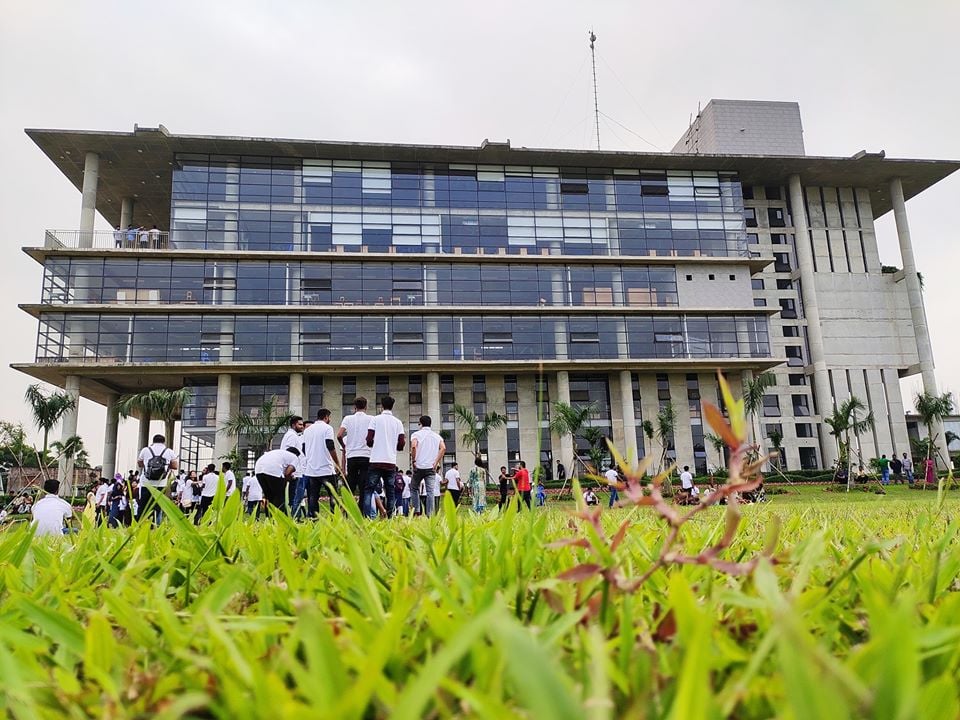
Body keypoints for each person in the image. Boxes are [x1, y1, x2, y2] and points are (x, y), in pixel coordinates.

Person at [364, 396, 405, 519]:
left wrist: (372, 445)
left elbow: (369, 439)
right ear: (393, 406)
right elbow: (402, 442)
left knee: (369, 489)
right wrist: (396, 447)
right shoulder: (398, 422)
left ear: (381, 406)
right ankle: (390, 517)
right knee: (390, 491)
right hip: (390, 461)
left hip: (376, 460)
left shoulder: (375, 420)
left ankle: (368, 517)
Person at [303, 408, 339, 517]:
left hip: (312, 470)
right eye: (329, 417)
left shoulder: (307, 430)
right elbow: (330, 445)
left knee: (313, 496)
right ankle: (334, 517)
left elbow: (304, 448)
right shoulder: (327, 428)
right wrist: (337, 463)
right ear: (326, 417)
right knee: (333, 495)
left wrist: (310, 459)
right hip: (326, 468)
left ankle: (314, 518)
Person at [137, 433, 178, 524]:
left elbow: (139, 463)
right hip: (161, 483)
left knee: (143, 506)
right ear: (164, 442)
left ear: (153, 441)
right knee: (157, 506)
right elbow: (175, 466)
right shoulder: (169, 451)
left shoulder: (146, 450)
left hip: (146, 483)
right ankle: (155, 526)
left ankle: (140, 525)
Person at [410, 415, 445, 517]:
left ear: (421, 424)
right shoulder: (437, 436)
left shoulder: (416, 434)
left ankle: (417, 510)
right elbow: (443, 448)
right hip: (431, 467)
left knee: (414, 488)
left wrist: (413, 460)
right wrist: (436, 462)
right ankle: (430, 514)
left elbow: (413, 446)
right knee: (430, 491)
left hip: (419, 466)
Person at [338, 397, 372, 502]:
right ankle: (362, 513)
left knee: (350, 486)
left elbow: (339, 435)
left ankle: (348, 511)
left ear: (354, 407)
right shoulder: (371, 419)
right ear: (366, 407)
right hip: (366, 455)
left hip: (352, 455)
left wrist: (344, 446)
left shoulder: (347, 419)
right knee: (364, 487)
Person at [254, 446, 302, 512]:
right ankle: (280, 517)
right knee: (279, 496)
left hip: (258, 469)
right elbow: (287, 473)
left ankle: (269, 518)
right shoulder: (294, 457)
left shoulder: (278, 453)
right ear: (296, 454)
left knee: (269, 496)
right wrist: (289, 479)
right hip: (273, 470)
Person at [280, 416, 306, 518]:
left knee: (295, 498)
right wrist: (291, 472)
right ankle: (295, 518)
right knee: (296, 498)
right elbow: (289, 453)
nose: (302, 427)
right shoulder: (292, 435)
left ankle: (294, 517)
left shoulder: (293, 435)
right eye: (299, 424)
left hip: (295, 471)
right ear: (293, 425)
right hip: (295, 472)